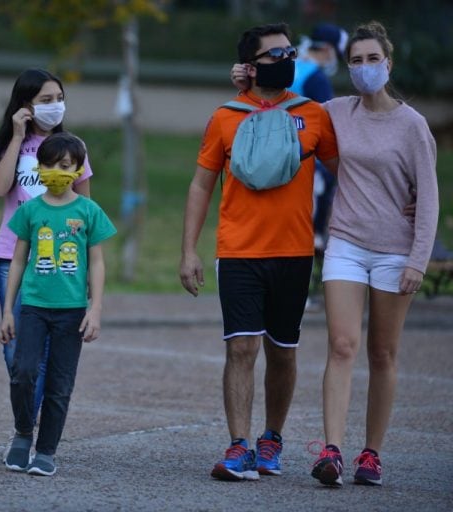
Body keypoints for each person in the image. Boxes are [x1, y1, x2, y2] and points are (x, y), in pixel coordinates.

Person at [179, 22, 339, 481]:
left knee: (283, 352)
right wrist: (188, 250)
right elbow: (200, 184)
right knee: (241, 349)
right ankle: (239, 446)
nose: (287, 59)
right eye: (276, 54)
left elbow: (346, 173)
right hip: (238, 252)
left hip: (294, 252)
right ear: (250, 66)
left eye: (291, 52)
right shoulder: (226, 115)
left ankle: (272, 438)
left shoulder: (314, 114)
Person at [307, 21, 439, 487]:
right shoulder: (336, 111)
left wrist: (417, 260)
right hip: (345, 242)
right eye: (356, 61)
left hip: (395, 252)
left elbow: (429, 199)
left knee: (382, 353)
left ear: (389, 64)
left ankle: (371, 454)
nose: (364, 68)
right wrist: (244, 79)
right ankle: (332, 452)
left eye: (372, 60)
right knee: (342, 345)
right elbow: (288, 111)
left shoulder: (413, 125)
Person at [0, 68, 93, 450]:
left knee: (45, 353)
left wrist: (87, 268)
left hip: (60, 260)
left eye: (58, 98)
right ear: (25, 105)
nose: (54, 106)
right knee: (17, 352)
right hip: (13, 256)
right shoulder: (14, 145)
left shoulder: (74, 147)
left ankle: (26, 434)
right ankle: (28, 420)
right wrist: (16, 136)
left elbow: (86, 211)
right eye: (45, 99)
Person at [0, 131, 116, 477]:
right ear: (39, 167)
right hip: (33, 306)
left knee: (60, 384)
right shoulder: (31, 210)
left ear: (79, 169)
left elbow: (96, 262)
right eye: (50, 164)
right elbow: (17, 260)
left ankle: (46, 451)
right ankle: (23, 433)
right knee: (23, 372)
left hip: (72, 311)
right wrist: (8, 310)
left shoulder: (89, 211)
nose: (57, 171)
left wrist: (95, 309)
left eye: (65, 165)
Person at [292, 23, 349, 309]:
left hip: (281, 159)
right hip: (309, 165)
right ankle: (297, 294)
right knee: (309, 233)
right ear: (327, 50)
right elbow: (328, 124)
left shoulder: (291, 67)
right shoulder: (316, 78)